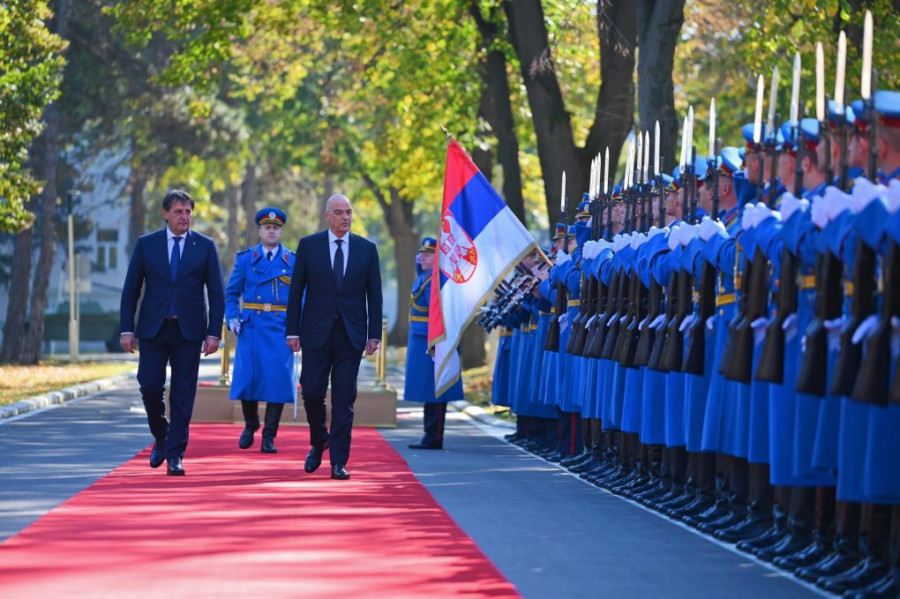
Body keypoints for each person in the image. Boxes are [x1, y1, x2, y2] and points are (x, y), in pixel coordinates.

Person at [119, 189, 225, 476]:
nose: (184, 216)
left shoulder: (204, 246)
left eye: (188, 211)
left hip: (188, 332)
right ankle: (162, 437)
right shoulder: (147, 245)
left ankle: (176, 453)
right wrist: (127, 329)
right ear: (165, 214)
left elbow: (216, 293)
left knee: (183, 393)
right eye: (178, 211)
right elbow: (131, 291)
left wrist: (214, 332)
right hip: (153, 329)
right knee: (150, 386)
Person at [285, 194, 383, 480]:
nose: (345, 218)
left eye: (349, 212)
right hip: (315, 333)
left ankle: (339, 461)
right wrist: (292, 331)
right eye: (339, 213)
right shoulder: (309, 246)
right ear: (327, 216)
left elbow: (374, 296)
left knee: (344, 399)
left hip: (350, 336)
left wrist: (374, 335)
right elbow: (295, 292)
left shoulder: (367, 249)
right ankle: (319, 441)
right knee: (312, 391)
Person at [225, 207, 296, 454]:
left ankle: (269, 435)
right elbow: (232, 292)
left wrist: (297, 330)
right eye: (267, 227)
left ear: (281, 231)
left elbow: (301, 298)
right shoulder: (245, 259)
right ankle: (250, 423)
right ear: (260, 230)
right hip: (251, 325)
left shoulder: (292, 261)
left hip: (280, 328)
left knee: (277, 380)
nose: (272, 231)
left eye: (276, 228)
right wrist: (231, 318)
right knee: (247, 378)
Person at [404, 237, 463, 449]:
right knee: (427, 389)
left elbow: (438, 312)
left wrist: (436, 341)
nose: (421, 257)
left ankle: (434, 435)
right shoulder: (425, 277)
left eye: (427, 255)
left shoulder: (435, 281)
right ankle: (429, 433)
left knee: (435, 389)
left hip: (432, 339)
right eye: (421, 254)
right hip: (421, 337)